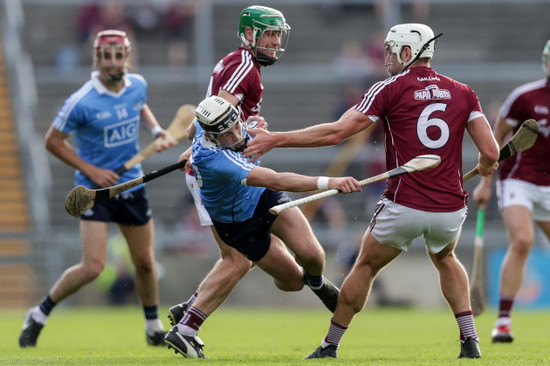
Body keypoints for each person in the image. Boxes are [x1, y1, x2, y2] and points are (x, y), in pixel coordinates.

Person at [243, 23, 500, 359]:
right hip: (449, 209)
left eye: (392, 51)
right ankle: (470, 342)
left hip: (403, 205)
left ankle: (330, 345)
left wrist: (277, 138)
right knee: (445, 258)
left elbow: (336, 134)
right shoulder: (464, 92)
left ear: (408, 53)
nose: (388, 58)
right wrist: (485, 164)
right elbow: (492, 153)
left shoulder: (388, 89)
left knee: (364, 265)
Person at [164, 96, 362, 358]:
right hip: (237, 223)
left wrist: (195, 146)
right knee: (291, 282)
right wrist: (329, 183)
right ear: (212, 136)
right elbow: (277, 179)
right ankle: (188, 325)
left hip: (261, 197)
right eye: (227, 133)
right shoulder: (217, 159)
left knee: (313, 255)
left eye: (237, 126)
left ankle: (317, 283)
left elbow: (193, 129)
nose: (237, 135)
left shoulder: (209, 125)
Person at [19, 29, 176, 348]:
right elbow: (52, 141)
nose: (113, 63)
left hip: (131, 182)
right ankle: (38, 314)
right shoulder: (80, 101)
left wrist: (157, 129)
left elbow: (140, 105)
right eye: (107, 56)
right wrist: (91, 170)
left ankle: (152, 325)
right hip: (95, 190)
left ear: (127, 57)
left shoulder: (138, 85)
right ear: (97, 58)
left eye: (119, 55)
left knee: (144, 261)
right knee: (93, 267)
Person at [166, 5, 295, 329]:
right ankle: (188, 324)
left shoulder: (240, 63)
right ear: (250, 34)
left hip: (219, 168)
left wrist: (249, 126)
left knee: (243, 252)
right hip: (217, 175)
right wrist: (194, 148)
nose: (275, 41)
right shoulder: (244, 67)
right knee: (237, 258)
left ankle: (192, 306)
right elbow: (208, 122)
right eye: (269, 34)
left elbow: (208, 123)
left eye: (278, 34)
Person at [473, 39, 550, 344]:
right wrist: (486, 181)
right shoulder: (525, 97)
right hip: (519, 179)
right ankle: (503, 321)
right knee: (522, 240)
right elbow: (495, 138)